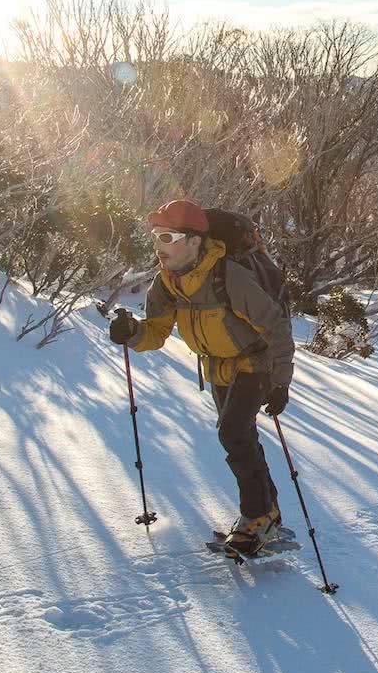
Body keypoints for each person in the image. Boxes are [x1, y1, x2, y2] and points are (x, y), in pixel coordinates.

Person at [109, 199, 295, 553]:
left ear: (194, 241)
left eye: (168, 237)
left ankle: (256, 515)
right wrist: (131, 331)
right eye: (156, 237)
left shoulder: (229, 276)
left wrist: (280, 381)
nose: (158, 245)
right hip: (217, 366)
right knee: (242, 437)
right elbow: (156, 332)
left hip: (256, 363)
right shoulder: (167, 282)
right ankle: (268, 513)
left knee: (233, 433)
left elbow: (276, 326)